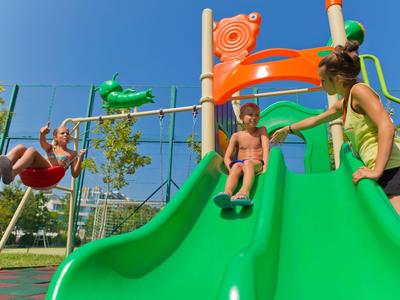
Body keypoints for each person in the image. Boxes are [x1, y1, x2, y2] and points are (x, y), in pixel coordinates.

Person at [271, 40, 400, 215]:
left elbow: (386, 125)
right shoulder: (345, 103)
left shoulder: (359, 91)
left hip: (392, 166)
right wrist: (288, 128)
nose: (320, 85)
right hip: (382, 166)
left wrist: (377, 169)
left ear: (337, 79)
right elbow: (317, 119)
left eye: (323, 80)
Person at [213, 103, 270, 208]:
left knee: (248, 163)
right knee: (235, 166)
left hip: (256, 163)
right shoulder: (236, 136)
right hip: (240, 164)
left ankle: (244, 192)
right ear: (241, 117)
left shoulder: (261, 130)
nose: (254, 117)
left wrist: (265, 166)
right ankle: (227, 194)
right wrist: (230, 167)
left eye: (257, 115)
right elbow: (227, 157)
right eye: (250, 114)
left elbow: (266, 149)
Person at [0, 123, 86, 184]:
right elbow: (43, 143)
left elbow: (75, 174)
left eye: (67, 133)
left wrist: (80, 159)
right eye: (62, 133)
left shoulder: (72, 153)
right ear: (55, 138)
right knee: (20, 147)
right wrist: (42, 134)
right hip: (38, 169)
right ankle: (4, 167)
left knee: (32, 150)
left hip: (50, 174)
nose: (66, 135)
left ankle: (12, 174)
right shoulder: (51, 148)